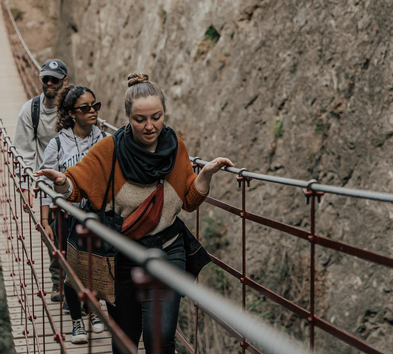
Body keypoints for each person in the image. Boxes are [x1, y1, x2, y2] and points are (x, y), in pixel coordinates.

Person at [35, 73, 234, 354]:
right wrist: (62, 182)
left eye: (157, 116)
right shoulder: (109, 149)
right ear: (128, 117)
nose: (150, 126)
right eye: (140, 119)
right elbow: (77, 187)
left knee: (160, 339)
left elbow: (188, 201)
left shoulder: (175, 147)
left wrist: (206, 176)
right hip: (121, 256)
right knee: (125, 340)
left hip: (167, 250)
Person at [38, 85, 108, 343]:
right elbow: (45, 184)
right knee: (71, 270)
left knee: (98, 264)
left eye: (95, 106)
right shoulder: (57, 144)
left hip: (96, 214)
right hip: (66, 216)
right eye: (85, 108)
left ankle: (95, 312)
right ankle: (77, 322)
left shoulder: (104, 141)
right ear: (71, 113)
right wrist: (45, 220)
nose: (92, 112)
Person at [15, 58, 68, 299]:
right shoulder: (30, 111)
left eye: (54, 80)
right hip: (46, 183)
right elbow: (23, 152)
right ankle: (59, 283)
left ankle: (79, 286)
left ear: (63, 82)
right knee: (52, 231)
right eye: (45, 78)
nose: (49, 83)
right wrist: (26, 187)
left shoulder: (72, 108)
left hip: (74, 180)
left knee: (77, 232)